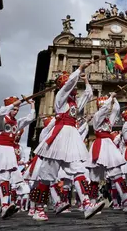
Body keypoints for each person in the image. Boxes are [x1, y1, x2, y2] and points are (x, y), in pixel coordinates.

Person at [34, 64, 105, 221]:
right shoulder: (60, 97)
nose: (73, 87)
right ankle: (39, 208)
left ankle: (87, 204)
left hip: (71, 136)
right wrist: (78, 70)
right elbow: (68, 85)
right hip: (59, 136)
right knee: (47, 174)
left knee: (78, 169)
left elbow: (87, 95)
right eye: (68, 83)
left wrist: (86, 81)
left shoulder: (74, 103)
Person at [88, 94, 127, 213]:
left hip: (108, 145)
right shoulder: (97, 117)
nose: (105, 110)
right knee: (95, 176)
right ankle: (92, 203)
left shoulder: (108, 120)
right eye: (103, 106)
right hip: (100, 144)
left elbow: (116, 109)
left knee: (116, 173)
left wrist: (115, 99)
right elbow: (104, 109)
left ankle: (125, 201)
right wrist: (110, 98)